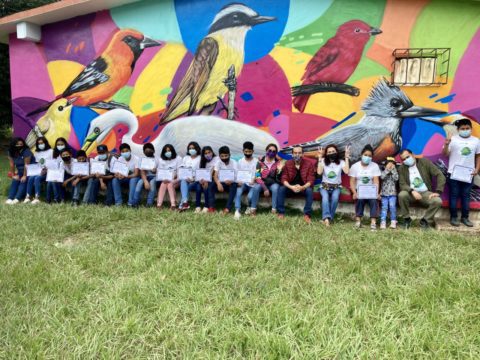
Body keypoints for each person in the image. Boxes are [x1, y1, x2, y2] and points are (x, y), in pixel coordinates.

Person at [442, 118, 480, 227]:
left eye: (467, 128)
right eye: (462, 129)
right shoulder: (453, 139)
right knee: (454, 195)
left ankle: (465, 218)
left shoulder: (476, 141)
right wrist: (447, 143)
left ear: (471, 129)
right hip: (454, 173)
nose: (465, 130)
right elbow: (445, 153)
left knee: (466, 196)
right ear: (458, 130)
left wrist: (477, 169)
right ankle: (453, 217)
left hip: (469, 174)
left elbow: (478, 156)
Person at [398, 149, 446, 229]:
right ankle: (406, 219)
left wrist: (438, 191)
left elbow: (439, 175)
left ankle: (425, 220)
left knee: (437, 201)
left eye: (407, 157)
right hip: (411, 194)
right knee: (402, 195)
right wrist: (412, 191)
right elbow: (402, 184)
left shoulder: (424, 162)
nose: (406, 160)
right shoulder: (402, 168)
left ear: (412, 154)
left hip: (425, 193)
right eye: (403, 159)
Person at [277, 145, 316, 223]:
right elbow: (284, 178)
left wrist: (302, 187)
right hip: (291, 188)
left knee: (309, 190)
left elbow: (311, 180)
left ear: (302, 154)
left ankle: (307, 214)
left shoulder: (309, 164)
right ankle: (281, 213)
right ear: (292, 154)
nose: (297, 155)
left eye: (299, 153)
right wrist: (291, 187)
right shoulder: (288, 163)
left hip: (303, 188)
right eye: (295, 153)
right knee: (281, 188)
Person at [349, 145, 381, 230]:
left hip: (370, 190)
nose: (367, 157)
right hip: (359, 190)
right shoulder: (355, 166)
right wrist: (354, 192)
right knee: (359, 199)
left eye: (370, 156)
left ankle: (373, 223)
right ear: (361, 155)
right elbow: (352, 181)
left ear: (372, 157)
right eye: (365, 155)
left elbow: (376, 181)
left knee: (374, 200)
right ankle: (358, 221)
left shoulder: (375, 166)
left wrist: (376, 193)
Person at [317, 144, 350, 226]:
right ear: (326, 154)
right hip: (324, 186)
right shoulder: (324, 161)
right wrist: (320, 158)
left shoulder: (341, 162)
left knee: (335, 198)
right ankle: (326, 219)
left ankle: (329, 218)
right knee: (325, 198)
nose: (331, 153)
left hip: (336, 187)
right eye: (329, 152)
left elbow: (346, 171)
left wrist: (346, 157)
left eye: (333, 151)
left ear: (337, 152)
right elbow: (319, 172)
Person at [251, 143, 282, 214]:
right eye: (270, 150)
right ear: (266, 150)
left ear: (276, 153)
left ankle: (274, 209)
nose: (271, 152)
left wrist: (279, 170)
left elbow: (279, 177)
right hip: (262, 182)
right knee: (256, 188)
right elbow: (258, 177)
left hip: (273, 183)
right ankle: (253, 209)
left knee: (275, 188)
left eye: (274, 151)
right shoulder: (260, 162)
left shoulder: (278, 162)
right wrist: (265, 188)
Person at [234, 141, 259, 219]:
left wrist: (254, 179)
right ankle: (237, 210)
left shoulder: (257, 161)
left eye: (249, 151)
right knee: (238, 192)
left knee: (250, 197)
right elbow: (237, 173)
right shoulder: (240, 161)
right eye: (246, 151)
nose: (248, 153)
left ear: (253, 151)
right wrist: (238, 181)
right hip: (243, 183)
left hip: (253, 184)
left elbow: (258, 173)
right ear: (243, 151)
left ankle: (249, 207)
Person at [24, 137, 53, 204]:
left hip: (49, 172)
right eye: (39, 143)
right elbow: (37, 164)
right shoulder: (36, 153)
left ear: (45, 143)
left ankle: (37, 197)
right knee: (31, 178)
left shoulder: (51, 151)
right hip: (39, 171)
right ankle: (27, 196)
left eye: (42, 143)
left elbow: (53, 163)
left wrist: (46, 169)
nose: (40, 145)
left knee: (37, 178)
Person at [211, 146, 238, 214]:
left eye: (226, 155)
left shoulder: (234, 162)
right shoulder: (218, 162)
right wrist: (218, 184)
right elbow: (215, 176)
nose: (224, 158)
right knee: (211, 185)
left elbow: (237, 176)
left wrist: (231, 181)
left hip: (231, 183)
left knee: (234, 186)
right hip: (221, 183)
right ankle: (211, 207)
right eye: (222, 156)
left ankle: (227, 208)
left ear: (229, 155)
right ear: (219, 156)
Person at [6, 137, 32, 204]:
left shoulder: (26, 151)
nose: (20, 146)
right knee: (15, 179)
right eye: (18, 144)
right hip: (20, 171)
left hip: (30, 171)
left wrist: (24, 176)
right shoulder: (10, 152)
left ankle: (17, 198)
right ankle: (10, 198)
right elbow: (12, 164)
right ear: (13, 145)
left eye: (21, 144)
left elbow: (27, 165)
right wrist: (13, 175)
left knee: (23, 180)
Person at [156, 144, 182, 210]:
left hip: (176, 179)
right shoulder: (161, 160)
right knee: (164, 183)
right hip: (165, 179)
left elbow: (180, 172)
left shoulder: (178, 158)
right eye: (166, 151)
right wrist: (163, 179)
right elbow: (160, 172)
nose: (168, 152)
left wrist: (173, 177)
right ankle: (159, 204)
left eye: (169, 150)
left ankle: (173, 205)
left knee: (170, 184)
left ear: (172, 151)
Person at [133, 143, 158, 207]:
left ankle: (149, 203)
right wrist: (145, 181)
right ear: (144, 152)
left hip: (155, 177)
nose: (148, 152)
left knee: (152, 182)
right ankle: (135, 203)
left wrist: (155, 171)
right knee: (139, 182)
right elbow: (142, 172)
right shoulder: (142, 160)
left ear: (153, 150)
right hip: (145, 177)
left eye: (150, 150)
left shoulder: (158, 159)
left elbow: (161, 172)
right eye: (146, 150)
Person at [178, 141, 201, 211]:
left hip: (195, 179)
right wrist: (186, 177)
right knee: (183, 181)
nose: (191, 150)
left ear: (197, 149)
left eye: (193, 148)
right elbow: (182, 169)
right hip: (185, 178)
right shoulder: (185, 158)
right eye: (190, 148)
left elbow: (201, 171)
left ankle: (182, 204)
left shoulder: (200, 158)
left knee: (186, 187)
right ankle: (185, 202)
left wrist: (193, 179)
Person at [196, 146, 218, 213]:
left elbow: (213, 171)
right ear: (203, 154)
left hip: (213, 179)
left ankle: (206, 206)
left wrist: (207, 180)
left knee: (206, 187)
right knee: (198, 188)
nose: (208, 154)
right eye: (205, 153)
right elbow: (200, 172)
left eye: (209, 152)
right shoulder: (203, 161)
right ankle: (198, 206)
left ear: (212, 152)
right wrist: (201, 180)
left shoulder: (216, 159)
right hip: (204, 179)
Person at [380, 157, 399, 229]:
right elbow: (382, 177)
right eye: (388, 164)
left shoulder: (395, 172)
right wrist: (387, 169)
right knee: (384, 208)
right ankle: (383, 222)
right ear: (385, 165)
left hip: (392, 194)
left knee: (392, 207)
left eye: (392, 164)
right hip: (384, 194)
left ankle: (393, 221)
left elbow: (396, 178)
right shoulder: (384, 171)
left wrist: (393, 170)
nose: (390, 165)